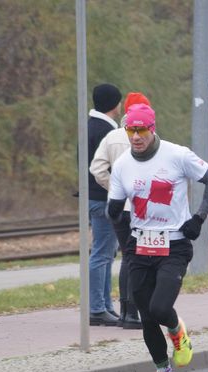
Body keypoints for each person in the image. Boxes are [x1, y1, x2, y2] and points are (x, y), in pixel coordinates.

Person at [107, 103, 208, 372]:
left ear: (152, 128)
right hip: (139, 246)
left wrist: (198, 218)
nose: (135, 137)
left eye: (141, 130)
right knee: (145, 316)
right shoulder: (121, 165)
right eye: (130, 130)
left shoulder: (177, 155)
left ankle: (176, 329)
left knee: (159, 308)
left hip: (174, 244)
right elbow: (115, 211)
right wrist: (123, 237)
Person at [90, 92, 152, 329]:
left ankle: (125, 312)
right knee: (138, 258)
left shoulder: (113, 136)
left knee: (127, 257)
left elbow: (97, 168)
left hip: (118, 207)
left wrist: (115, 188)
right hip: (140, 208)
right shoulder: (149, 135)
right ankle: (133, 313)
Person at [87, 83, 122, 326]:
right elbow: (101, 168)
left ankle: (105, 305)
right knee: (102, 253)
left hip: (95, 198)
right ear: (115, 104)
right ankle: (97, 308)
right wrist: (116, 189)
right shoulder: (106, 131)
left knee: (107, 252)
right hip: (102, 199)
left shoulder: (94, 125)